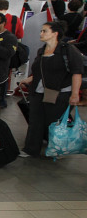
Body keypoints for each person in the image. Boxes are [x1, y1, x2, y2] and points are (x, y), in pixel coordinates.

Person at [19, 22, 84, 157]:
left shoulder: (68, 50)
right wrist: (29, 79)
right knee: (35, 120)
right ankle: (30, 149)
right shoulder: (42, 50)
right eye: (41, 31)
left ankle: (57, 148)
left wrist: (74, 94)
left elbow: (76, 73)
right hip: (38, 91)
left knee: (54, 122)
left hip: (60, 93)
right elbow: (39, 70)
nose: (41, 34)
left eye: (44, 31)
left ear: (55, 34)